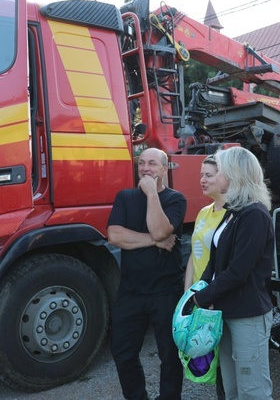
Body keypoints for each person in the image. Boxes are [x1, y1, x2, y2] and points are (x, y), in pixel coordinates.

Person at [193, 146, 274, 399]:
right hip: (225, 311)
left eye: (220, 171)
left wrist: (201, 298)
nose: (214, 177)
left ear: (235, 174)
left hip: (247, 314)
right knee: (232, 389)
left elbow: (238, 271)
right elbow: (215, 261)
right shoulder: (234, 213)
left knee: (253, 391)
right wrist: (200, 289)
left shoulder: (254, 214)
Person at [107, 147, 187, 400]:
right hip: (131, 290)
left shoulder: (176, 199)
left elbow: (162, 231)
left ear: (164, 169)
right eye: (141, 163)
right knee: (123, 353)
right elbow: (115, 235)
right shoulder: (125, 197)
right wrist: (154, 241)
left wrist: (152, 193)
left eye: (152, 164)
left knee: (170, 356)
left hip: (166, 290)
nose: (145, 168)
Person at [183, 154, 227, 399]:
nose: (202, 179)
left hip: (216, 296)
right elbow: (193, 255)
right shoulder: (203, 212)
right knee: (207, 356)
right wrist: (187, 293)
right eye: (201, 174)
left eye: (208, 175)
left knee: (222, 360)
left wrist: (210, 294)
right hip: (200, 297)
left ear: (224, 177)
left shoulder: (232, 214)